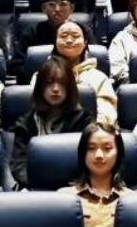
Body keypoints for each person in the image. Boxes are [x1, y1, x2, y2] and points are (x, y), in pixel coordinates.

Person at [9, 58, 94, 187]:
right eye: (49, 83)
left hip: (75, 188)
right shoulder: (26, 123)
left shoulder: (85, 121)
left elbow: (90, 160)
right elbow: (18, 165)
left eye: (62, 83)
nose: (55, 89)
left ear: (70, 87)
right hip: (36, 188)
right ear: (40, 87)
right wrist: (39, 184)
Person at [13, 0, 94, 79]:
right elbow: (15, 66)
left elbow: (96, 59)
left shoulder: (82, 31)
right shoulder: (32, 32)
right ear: (44, 8)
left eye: (63, 4)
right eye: (51, 4)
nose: (57, 9)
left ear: (72, 8)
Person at [54, 20, 118, 126]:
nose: (69, 40)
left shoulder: (99, 77)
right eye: (63, 36)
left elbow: (107, 111)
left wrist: (91, 129)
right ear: (55, 42)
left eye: (75, 36)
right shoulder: (41, 76)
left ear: (85, 43)